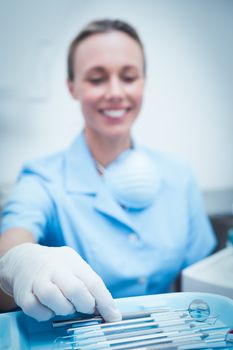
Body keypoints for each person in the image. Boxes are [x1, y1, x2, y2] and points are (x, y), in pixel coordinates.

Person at [0, 19, 216, 322]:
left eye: (128, 77)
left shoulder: (179, 176)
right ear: (72, 86)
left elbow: (197, 282)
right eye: (97, 79)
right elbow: (12, 238)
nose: (115, 92)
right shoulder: (43, 179)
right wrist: (17, 261)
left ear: (144, 82)